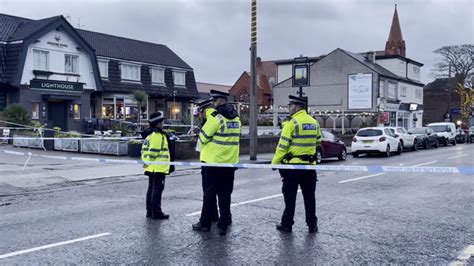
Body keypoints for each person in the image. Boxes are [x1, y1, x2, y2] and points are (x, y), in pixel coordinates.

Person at [192, 90, 241, 235]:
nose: (212, 104)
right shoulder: (236, 118)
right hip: (229, 162)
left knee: (209, 194)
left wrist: (202, 129)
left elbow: (204, 137)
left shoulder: (215, 117)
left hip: (213, 162)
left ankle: (205, 223)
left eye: (214, 101)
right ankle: (224, 224)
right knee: (225, 194)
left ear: (220, 100)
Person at [271, 95, 321, 234]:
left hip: (292, 168)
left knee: (290, 197)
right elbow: (318, 141)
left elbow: (282, 146)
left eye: (291, 105)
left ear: (297, 106)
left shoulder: (291, 123)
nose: (289, 108)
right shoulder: (314, 122)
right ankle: (312, 225)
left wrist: (274, 163)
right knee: (310, 197)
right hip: (309, 167)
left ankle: (287, 224)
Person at [141, 111, 175, 220]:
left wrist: (147, 163)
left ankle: (150, 211)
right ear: (158, 123)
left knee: (151, 188)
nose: (163, 123)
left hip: (152, 166)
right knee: (157, 189)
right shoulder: (157, 135)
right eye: (162, 121)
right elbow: (154, 151)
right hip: (158, 167)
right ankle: (156, 212)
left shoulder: (150, 133)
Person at [196, 99, 220, 223]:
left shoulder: (210, 121)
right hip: (215, 160)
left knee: (208, 191)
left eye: (200, 112)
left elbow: (203, 139)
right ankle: (214, 215)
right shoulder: (215, 119)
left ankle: (205, 220)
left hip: (209, 160)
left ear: (205, 110)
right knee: (214, 191)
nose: (200, 115)